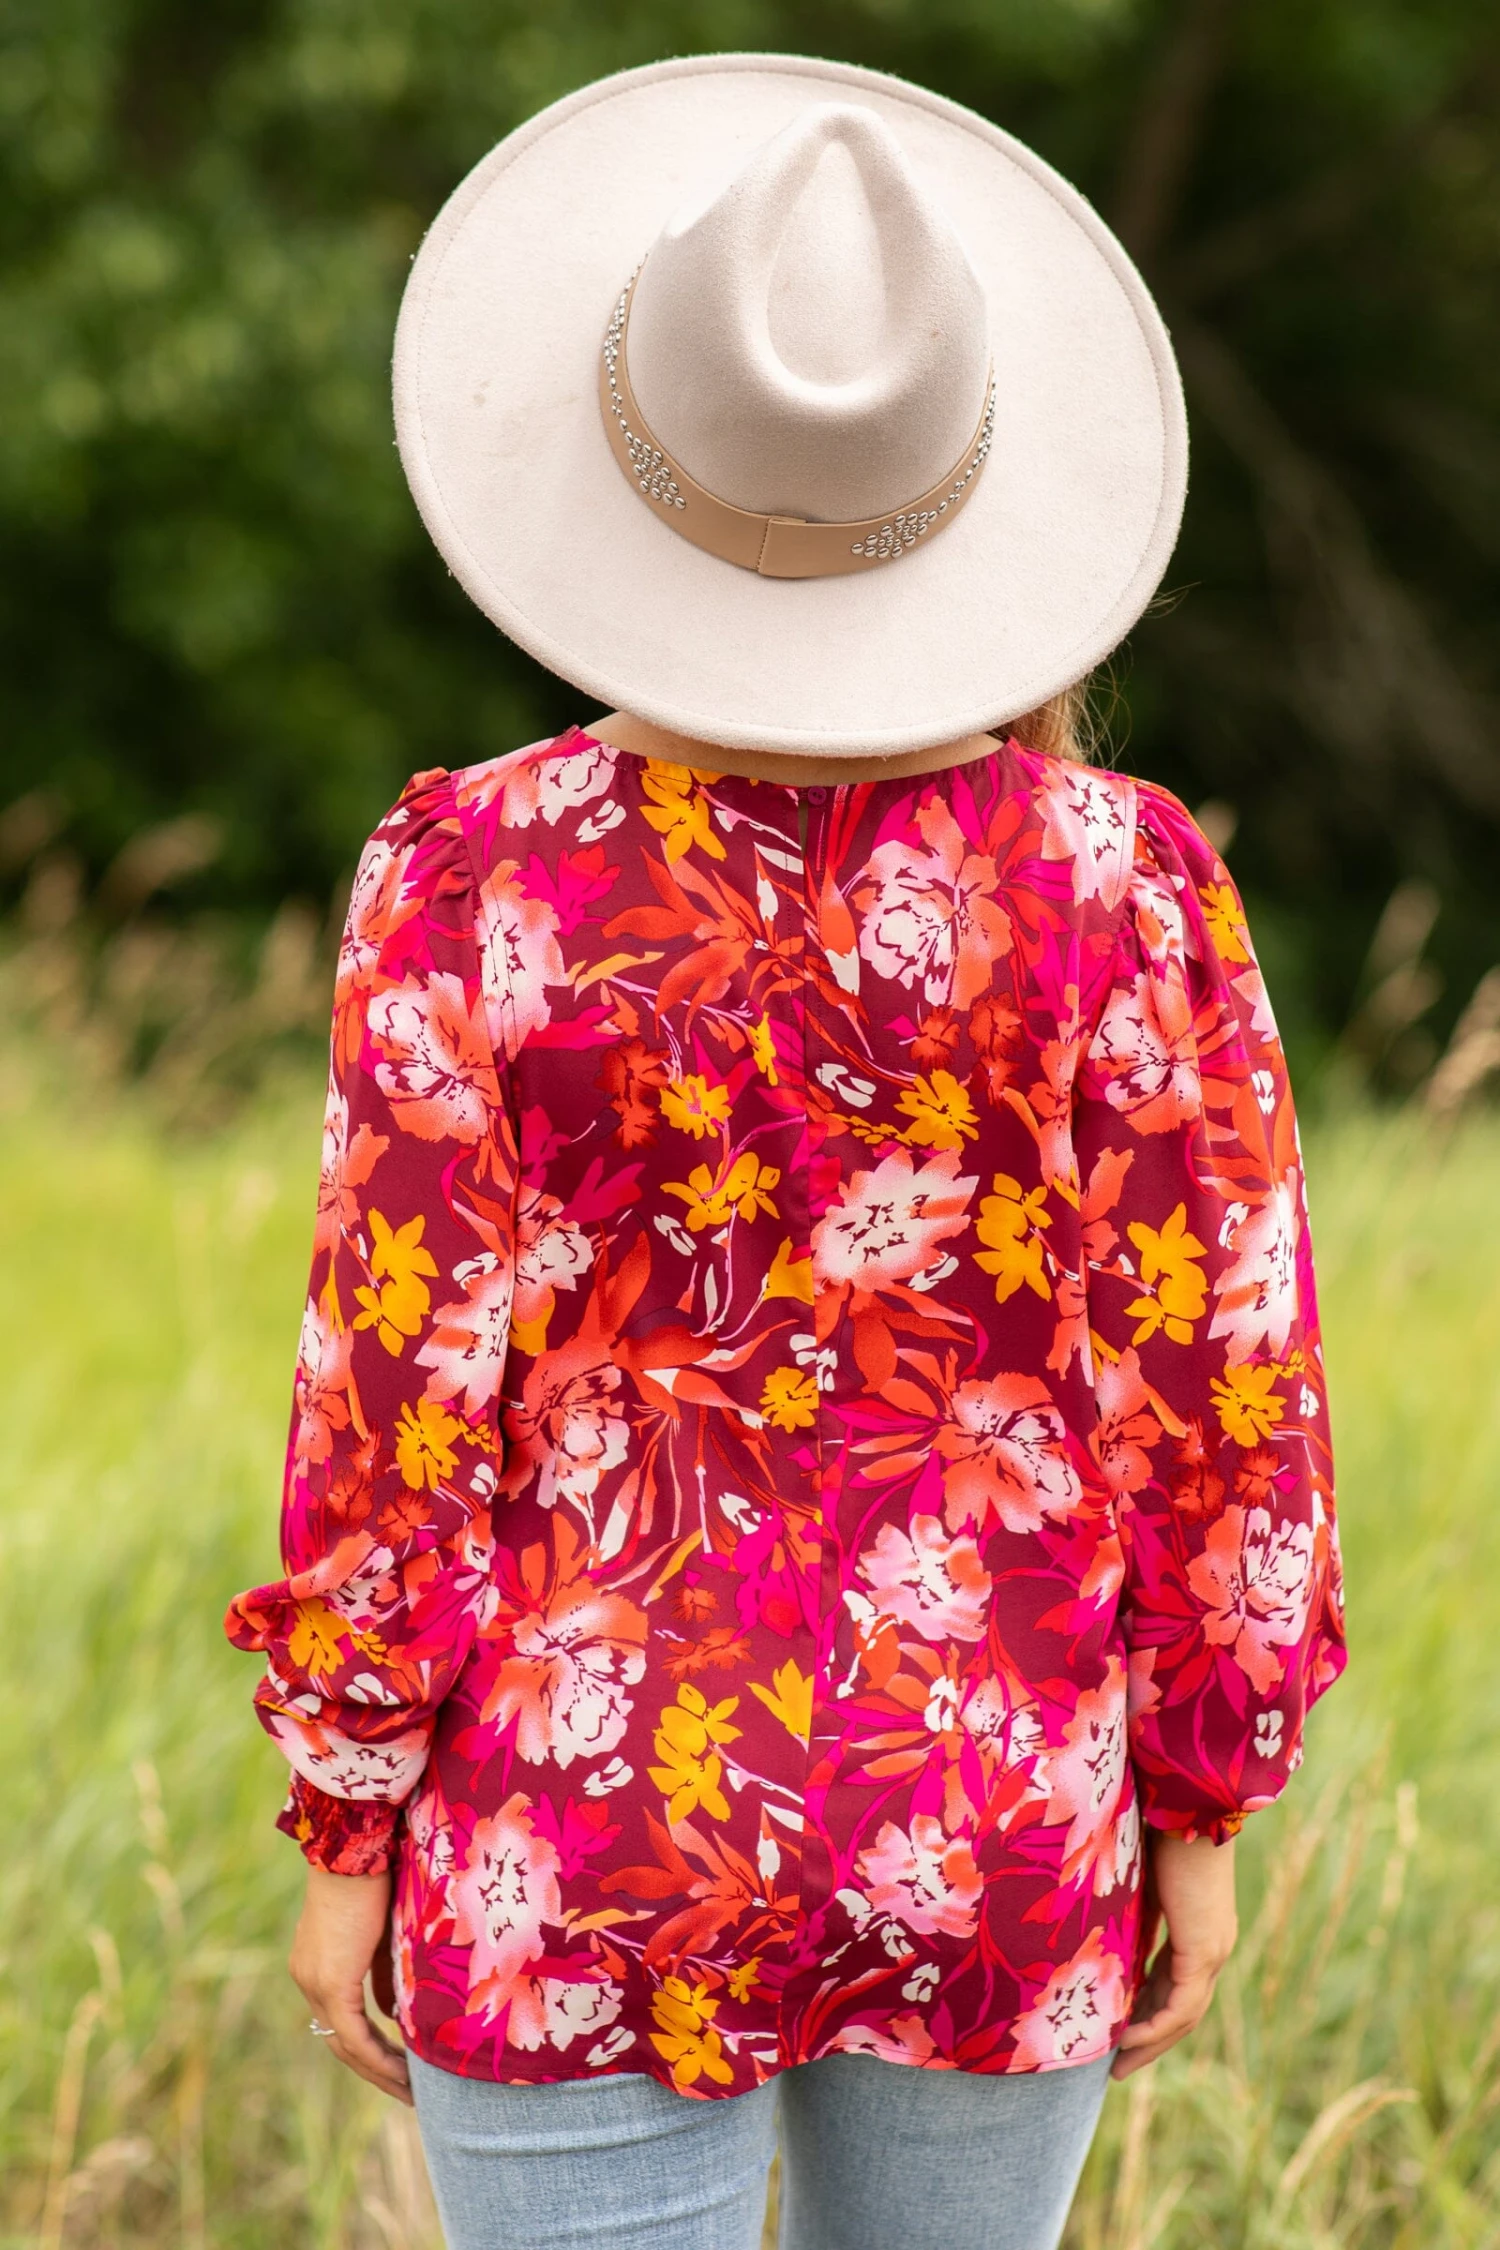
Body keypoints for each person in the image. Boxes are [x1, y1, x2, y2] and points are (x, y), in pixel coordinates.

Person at [225, 53, 1346, 2250]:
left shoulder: (474, 872)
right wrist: (1193, 1803)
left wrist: (348, 1799)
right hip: (998, 1801)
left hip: (572, 1819)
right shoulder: (1128, 886)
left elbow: (396, 1390)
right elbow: (1227, 1395)